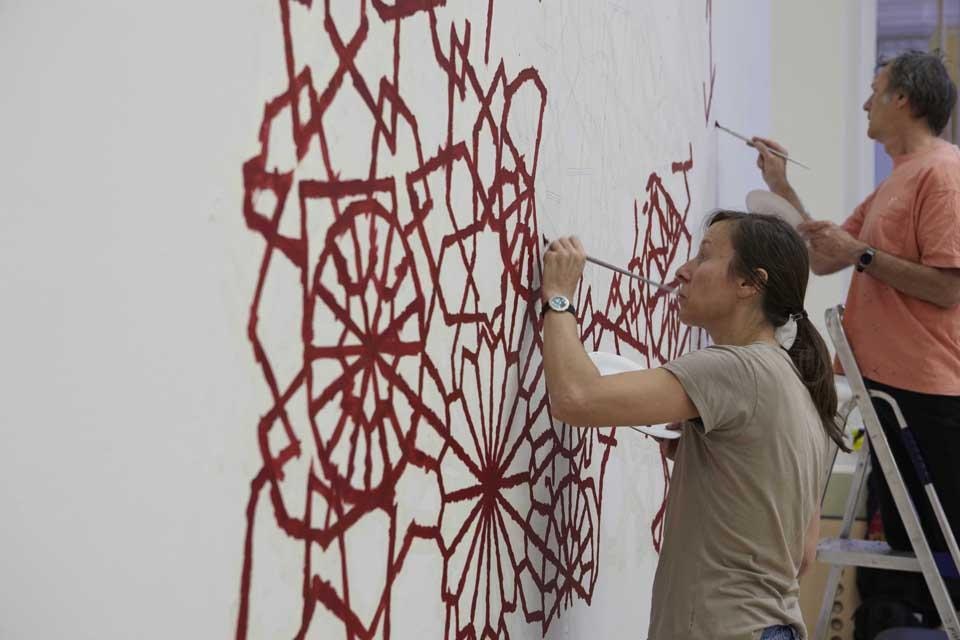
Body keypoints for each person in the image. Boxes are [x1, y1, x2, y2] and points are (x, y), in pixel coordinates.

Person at [541, 211, 847, 640]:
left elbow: (576, 398)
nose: (682, 270)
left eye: (704, 256)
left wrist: (558, 296)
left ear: (748, 284)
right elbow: (802, 556)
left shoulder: (737, 369)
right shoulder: (798, 387)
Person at [753, 49, 960, 622]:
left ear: (905, 101)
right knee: (901, 561)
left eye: (875, 90)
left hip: (930, 396)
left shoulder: (943, 175)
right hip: (893, 393)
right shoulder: (900, 178)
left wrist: (863, 254)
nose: (866, 102)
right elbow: (824, 258)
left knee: (940, 565)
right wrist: (782, 187)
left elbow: (947, 288)